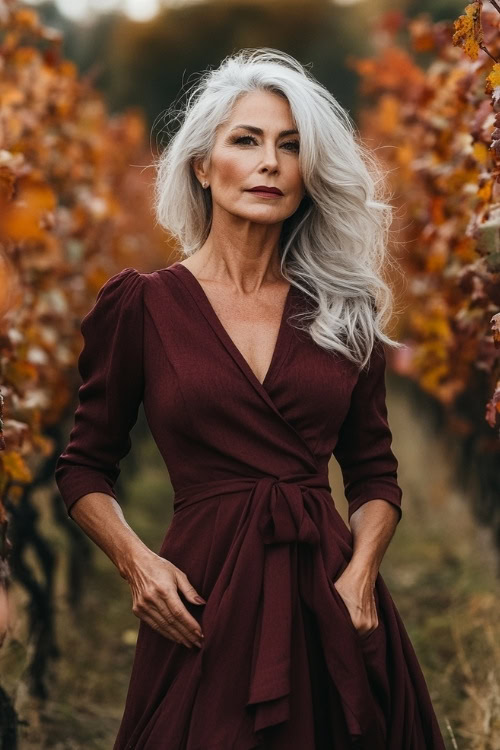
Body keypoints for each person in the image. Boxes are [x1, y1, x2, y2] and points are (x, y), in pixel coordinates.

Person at [55, 48, 446, 749]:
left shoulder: (342, 311)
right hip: (202, 597)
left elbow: (374, 474)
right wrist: (136, 562)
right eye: (247, 140)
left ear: (309, 175)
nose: (270, 162)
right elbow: (84, 465)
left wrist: (360, 576)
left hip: (327, 593)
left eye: (292, 148)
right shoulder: (141, 304)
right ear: (203, 166)